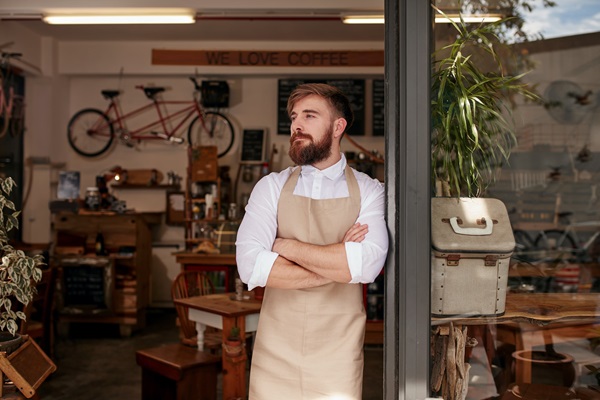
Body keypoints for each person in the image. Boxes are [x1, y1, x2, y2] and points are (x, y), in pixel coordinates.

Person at [236, 83, 388, 400]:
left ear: (338, 126)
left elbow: (368, 266)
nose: (296, 125)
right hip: (275, 349)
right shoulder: (271, 187)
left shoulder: (370, 190)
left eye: (309, 115)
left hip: (339, 351)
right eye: (294, 117)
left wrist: (284, 247)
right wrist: (338, 263)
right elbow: (251, 268)